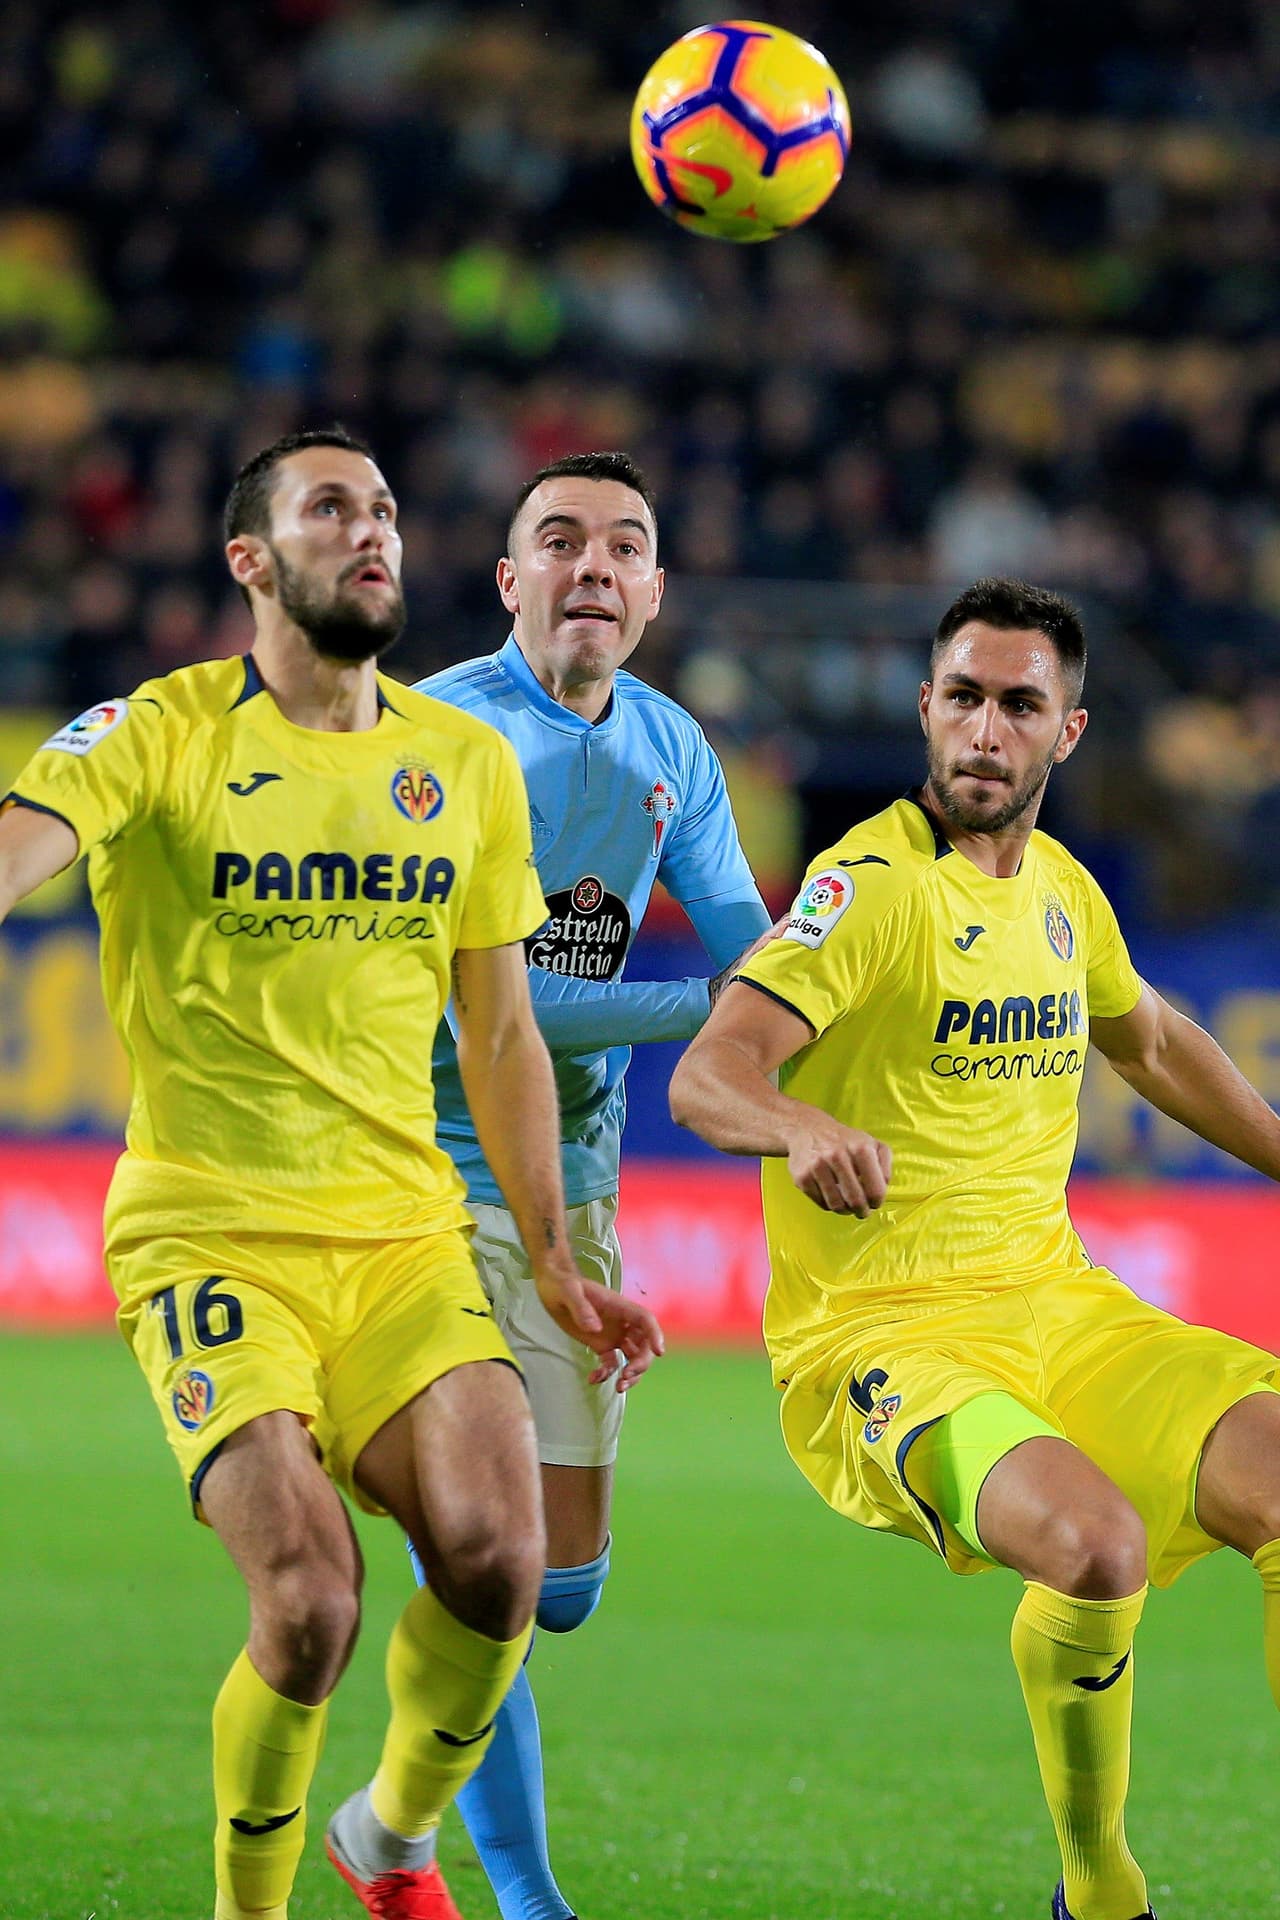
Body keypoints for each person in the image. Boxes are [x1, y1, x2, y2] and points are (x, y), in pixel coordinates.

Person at [0, 426, 663, 1920]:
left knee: (503, 1561)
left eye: (382, 510)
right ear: (251, 559)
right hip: (211, 1234)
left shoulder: (461, 762)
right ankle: (253, 1905)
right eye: (327, 510)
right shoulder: (162, 734)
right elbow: (23, 845)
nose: (371, 532)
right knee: (307, 1603)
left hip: (406, 1241)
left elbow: (499, 1029)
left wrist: (553, 1256)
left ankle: (393, 1835)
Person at [669, 575, 1280, 1920]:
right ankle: (1099, 1888)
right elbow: (709, 1076)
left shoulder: (1061, 890)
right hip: (886, 1341)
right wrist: (793, 1124)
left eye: (1018, 705)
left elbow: (1159, 1042)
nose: (984, 733)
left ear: (1068, 731)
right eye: (962, 699)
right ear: (925, 709)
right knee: (1097, 1547)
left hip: (1054, 1307)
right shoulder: (867, 887)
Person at [414, 450, 770, 1920]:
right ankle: (506, 1888)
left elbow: (756, 940)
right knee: (486, 1561)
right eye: (558, 541)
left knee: (561, 1587)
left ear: (656, 590)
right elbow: (462, 1011)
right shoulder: (432, 734)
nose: (594, 567)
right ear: (512, 582)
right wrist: (704, 1012)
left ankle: (403, 1809)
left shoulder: (674, 747)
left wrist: (827, 999)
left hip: (573, 1180)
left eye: (626, 544)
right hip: (415, 1176)